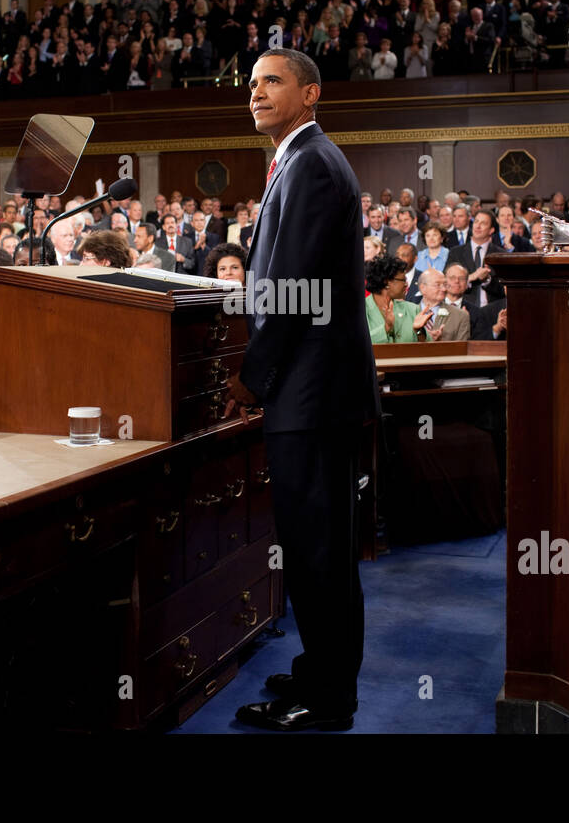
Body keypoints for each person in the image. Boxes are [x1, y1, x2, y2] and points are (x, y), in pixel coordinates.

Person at [225, 47, 378, 732]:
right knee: (318, 549)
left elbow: (291, 292)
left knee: (319, 552)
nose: (256, 93)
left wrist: (251, 379)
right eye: (251, 84)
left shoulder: (312, 164)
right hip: (314, 391)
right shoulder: (300, 158)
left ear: (311, 93)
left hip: (312, 395)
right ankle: (322, 673)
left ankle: (328, 698)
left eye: (272, 81)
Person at [364, 253, 430, 344]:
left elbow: (430, 347)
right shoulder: (361, 310)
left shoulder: (412, 309)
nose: (406, 284)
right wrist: (386, 328)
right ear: (386, 282)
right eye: (403, 280)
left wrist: (419, 331)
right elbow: (357, 344)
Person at [416, 268, 470, 341]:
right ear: (423, 288)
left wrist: (440, 342)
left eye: (445, 284)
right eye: (438, 285)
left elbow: (462, 349)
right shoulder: (408, 312)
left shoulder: (461, 316)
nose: (444, 289)